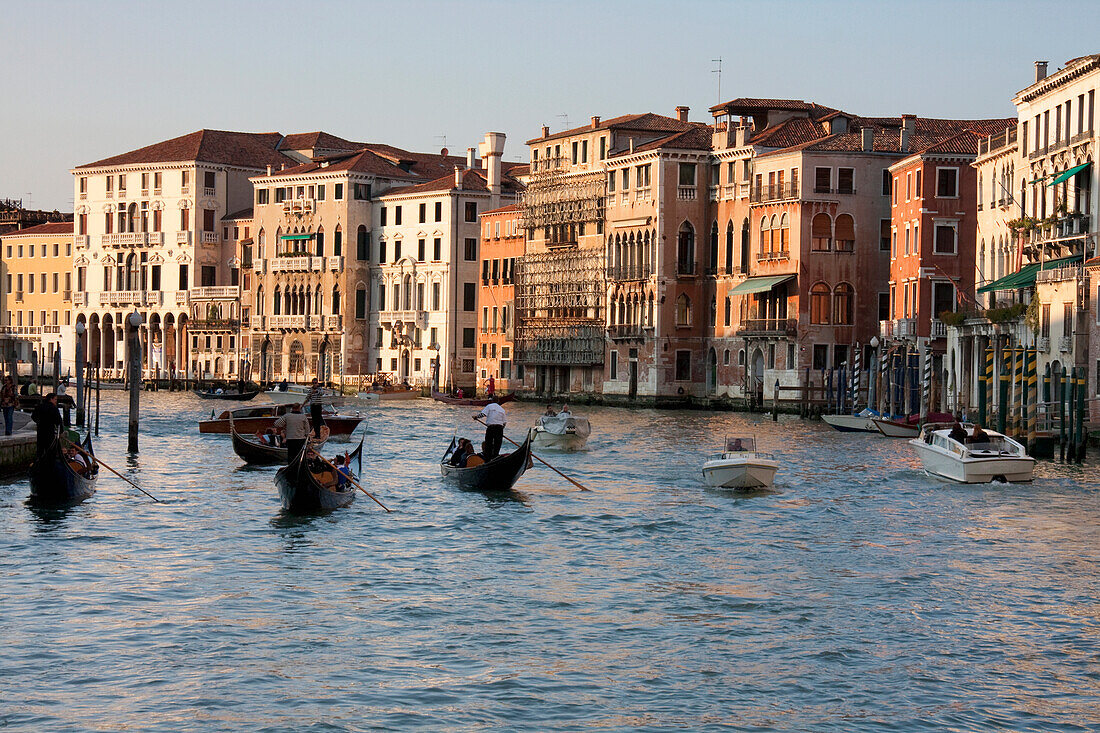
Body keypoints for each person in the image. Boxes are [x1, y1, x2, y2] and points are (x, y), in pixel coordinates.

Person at [31, 392, 63, 460]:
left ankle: (39, 461)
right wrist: (61, 431)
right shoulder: (54, 408)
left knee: (40, 448)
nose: (56, 401)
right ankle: (49, 462)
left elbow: (33, 416)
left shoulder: (39, 406)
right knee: (50, 448)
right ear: (51, 399)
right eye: (55, 399)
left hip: (40, 430)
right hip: (49, 431)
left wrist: (38, 422)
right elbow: (59, 421)